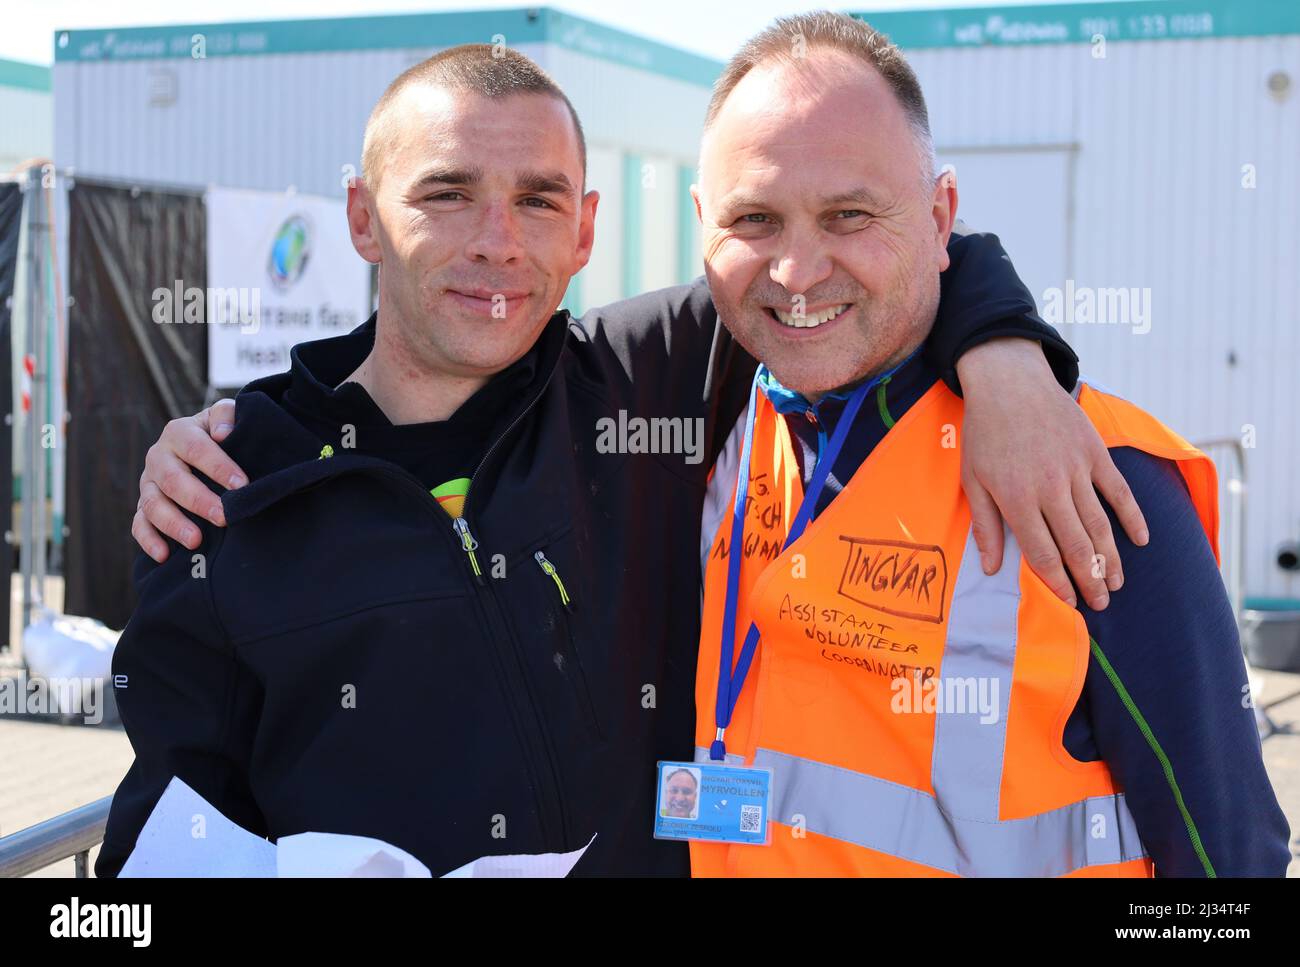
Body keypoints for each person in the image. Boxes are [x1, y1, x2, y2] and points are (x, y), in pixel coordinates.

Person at [105, 42, 1144, 878]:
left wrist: (1007, 360)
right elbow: (149, 859)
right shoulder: (228, 491)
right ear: (363, 220)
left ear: (587, 229)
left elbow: (882, 250)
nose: (498, 242)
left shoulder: (647, 376)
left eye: (540, 198)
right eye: (447, 193)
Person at [687, 12, 1290, 877]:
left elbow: (1230, 864)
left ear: (941, 219)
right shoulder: (700, 418)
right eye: (756, 219)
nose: (797, 271)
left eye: (850, 214)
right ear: (703, 222)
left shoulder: (1095, 478)